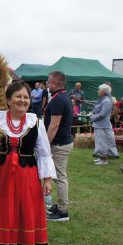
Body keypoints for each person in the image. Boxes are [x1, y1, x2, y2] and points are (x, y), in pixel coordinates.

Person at [0, 81, 55, 245]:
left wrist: (47, 179)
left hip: (26, 176)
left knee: (20, 213)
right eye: (18, 96)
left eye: (25, 97)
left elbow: (43, 153)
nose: (22, 100)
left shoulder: (35, 122)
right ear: (8, 100)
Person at [44, 71, 74, 222]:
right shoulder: (63, 97)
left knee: (60, 177)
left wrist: (45, 144)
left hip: (59, 144)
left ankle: (63, 211)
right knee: (60, 176)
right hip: (63, 142)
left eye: (49, 82)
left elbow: (54, 124)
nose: (47, 85)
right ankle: (60, 207)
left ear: (55, 84)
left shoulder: (58, 100)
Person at [91, 84, 119, 165]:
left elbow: (102, 114)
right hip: (99, 124)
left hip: (103, 125)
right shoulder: (102, 100)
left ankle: (104, 160)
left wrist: (92, 117)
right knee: (100, 142)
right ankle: (101, 158)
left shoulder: (106, 101)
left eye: (99, 90)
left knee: (103, 142)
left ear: (104, 91)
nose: (98, 91)